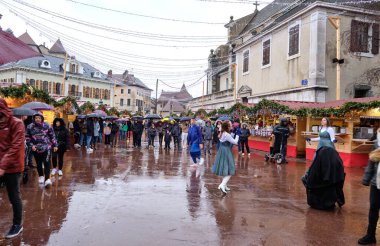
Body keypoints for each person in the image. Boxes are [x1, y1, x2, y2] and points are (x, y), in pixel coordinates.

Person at [0, 99, 25, 238]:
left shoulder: (17, 123)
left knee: (13, 196)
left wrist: (3, 166)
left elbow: (15, 147)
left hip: (13, 166)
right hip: (1, 164)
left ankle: (17, 225)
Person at [26, 113, 57, 187]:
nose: (37, 119)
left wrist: (55, 145)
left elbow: (52, 135)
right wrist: (31, 145)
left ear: (42, 118)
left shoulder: (47, 125)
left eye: (39, 118)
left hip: (47, 147)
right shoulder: (30, 126)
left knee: (47, 162)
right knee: (38, 163)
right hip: (35, 148)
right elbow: (27, 137)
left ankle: (47, 179)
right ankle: (40, 176)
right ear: (34, 118)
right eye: (36, 118)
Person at [358, 146, 380, 245]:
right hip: (376, 185)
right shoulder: (376, 153)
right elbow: (370, 167)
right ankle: (370, 235)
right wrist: (366, 179)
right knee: (373, 210)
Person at [212, 121, 239, 194]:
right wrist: (237, 136)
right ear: (227, 127)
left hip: (222, 150)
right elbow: (235, 142)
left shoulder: (223, 133)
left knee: (225, 168)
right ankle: (222, 185)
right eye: (230, 125)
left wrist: (232, 134)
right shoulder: (227, 134)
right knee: (230, 169)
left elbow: (228, 138)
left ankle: (225, 185)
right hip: (226, 151)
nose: (232, 126)